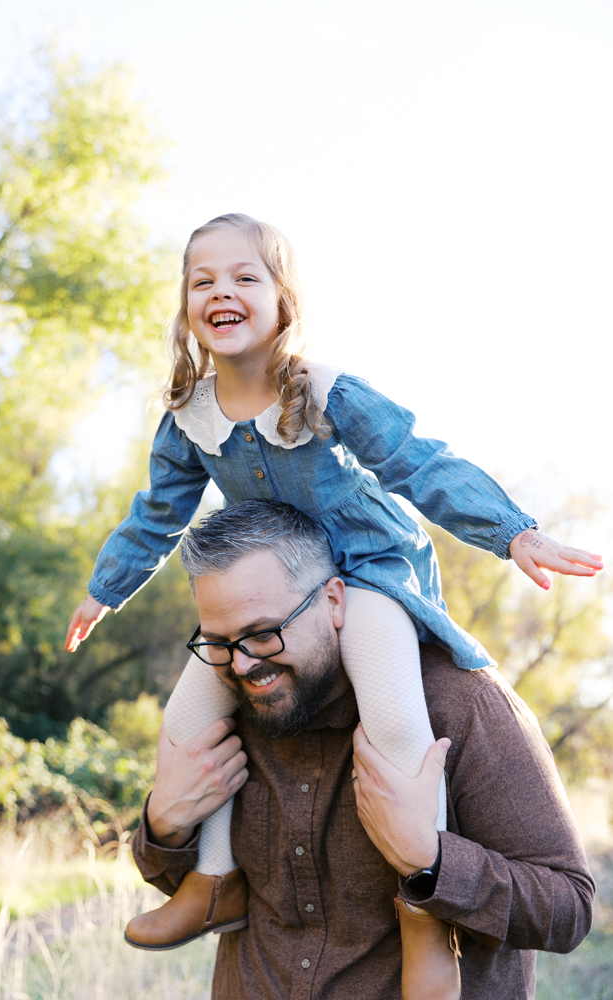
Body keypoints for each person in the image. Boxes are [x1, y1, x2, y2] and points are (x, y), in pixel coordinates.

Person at [63, 213, 602, 988]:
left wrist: (510, 532)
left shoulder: (321, 392)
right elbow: (158, 511)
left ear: (284, 299)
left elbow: (418, 462)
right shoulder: (190, 413)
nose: (222, 291)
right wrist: (103, 588)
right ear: (184, 306)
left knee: (392, 715)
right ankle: (213, 880)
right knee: (183, 726)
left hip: (369, 570)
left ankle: (423, 914)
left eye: (245, 276)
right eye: (201, 280)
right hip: (276, 582)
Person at [126, 500, 594, 1000]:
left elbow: (569, 908)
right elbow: (178, 882)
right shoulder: (227, 708)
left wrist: (430, 862)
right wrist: (164, 825)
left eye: (262, 634)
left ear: (333, 600)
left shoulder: (462, 703)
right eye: (218, 642)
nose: (241, 665)